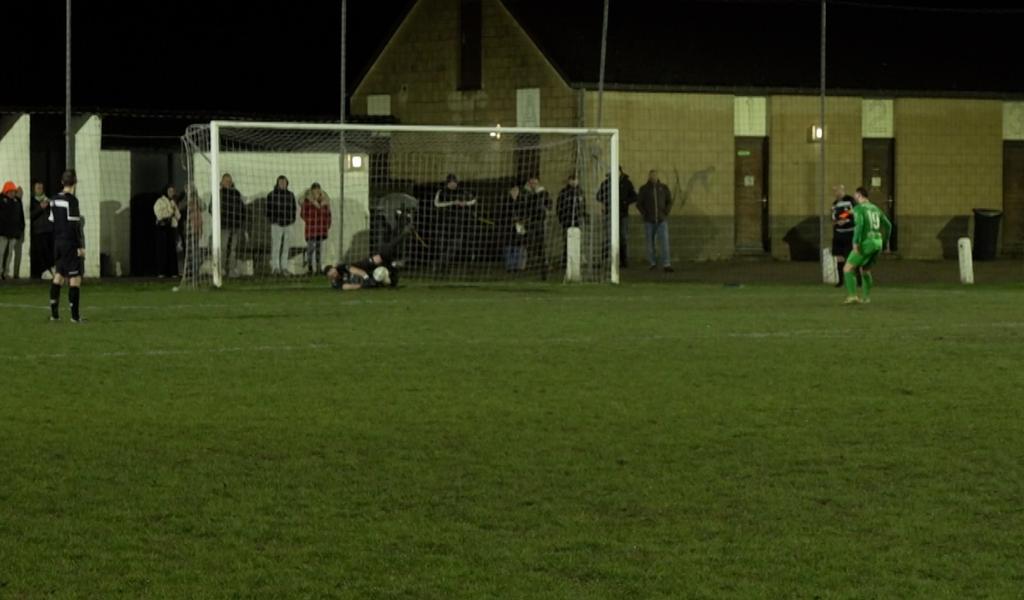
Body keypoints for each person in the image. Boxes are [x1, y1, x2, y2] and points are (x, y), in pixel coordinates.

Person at [843, 187, 892, 305]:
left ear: (859, 195)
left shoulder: (859, 208)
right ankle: (866, 298)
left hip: (866, 243)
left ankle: (853, 296)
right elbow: (889, 225)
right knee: (865, 270)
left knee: (848, 268)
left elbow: (859, 225)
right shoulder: (876, 208)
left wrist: (855, 242)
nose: (854, 196)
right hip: (877, 243)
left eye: (856, 194)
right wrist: (884, 243)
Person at [48, 170, 86, 323]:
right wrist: (80, 246)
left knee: (59, 275)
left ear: (62, 182)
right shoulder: (72, 201)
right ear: (74, 183)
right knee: (75, 278)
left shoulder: (53, 199)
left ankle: (54, 315)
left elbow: (52, 221)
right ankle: (75, 317)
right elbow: (74, 225)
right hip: (70, 243)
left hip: (58, 242)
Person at [432, 173, 476, 271]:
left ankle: (444, 263)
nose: (453, 184)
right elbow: (436, 204)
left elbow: (473, 201)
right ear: (447, 183)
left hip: (457, 224)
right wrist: (452, 203)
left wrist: (465, 203)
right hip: (444, 224)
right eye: (451, 182)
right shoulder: (441, 192)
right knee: (442, 246)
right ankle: (439, 264)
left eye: (454, 182)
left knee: (456, 245)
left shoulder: (462, 192)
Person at [596, 166, 638, 268]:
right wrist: (606, 202)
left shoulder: (627, 183)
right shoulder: (606, 183)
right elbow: (598, 196)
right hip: (609, 213)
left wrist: (625, 202)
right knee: (608, 237)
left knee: (623, 237)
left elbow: (634, 196)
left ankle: (623, 261)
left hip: (623, 214)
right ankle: (604, 260)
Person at [637, 170, 674, 272]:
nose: (653, 177)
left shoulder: (664, 188)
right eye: (652, 175)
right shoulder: (644, 189)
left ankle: (666, 264)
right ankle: (652, 263)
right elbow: (639, 204)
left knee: (664, 242)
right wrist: (645, 214)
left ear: (657, 176)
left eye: (655, 175)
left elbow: (669, 201)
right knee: (650, 243)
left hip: (662, 220)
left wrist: (666, 212)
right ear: (649, 177)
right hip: (649, 221)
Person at [520, 175, 551, 277]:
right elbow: (523, 206)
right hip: (529, 221)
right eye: (531, 182)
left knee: (540, 243)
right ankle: (530, 263)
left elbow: (549, 203)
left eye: (535, 182)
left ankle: (543, 265)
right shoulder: (525, 193)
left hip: (540, 221)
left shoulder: (543, 192)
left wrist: (546, 209)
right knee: (529, 242)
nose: (533, 184)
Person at [266, 175, 297, 275]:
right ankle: (275, 267)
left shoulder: (290, 195)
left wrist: (292, 220)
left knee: (286, 246)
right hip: (276, 224)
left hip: (288, 224)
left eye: (284, 182)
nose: (283, 184)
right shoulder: (271, 195)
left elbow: (293, 209)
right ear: (277, 183)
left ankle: (284, 267)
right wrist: (274, 220)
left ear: (287, 183)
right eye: (281, 182)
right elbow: (268, 210)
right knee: (276, 246)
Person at [216, 173, 245, 277]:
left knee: (233, 249)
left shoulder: (236, 193)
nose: (228, 182)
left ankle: (232, 270)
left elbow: (242, 209)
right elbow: (212, 208)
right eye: (226, 181)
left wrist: (240, 221)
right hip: (223, 226)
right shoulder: (218, 193)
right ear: (222, 182)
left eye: (229, 181)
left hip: (235, 226)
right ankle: (221, 269)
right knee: (223, 248)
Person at [556, 173, 587, 268]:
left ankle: (578, 259)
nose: (574, 182)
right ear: (569, 181)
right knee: (566, 240)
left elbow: (583, 206)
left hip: (578, 220)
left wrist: (583, 216)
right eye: (572, 180)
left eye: (576, 180)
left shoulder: (580, 192)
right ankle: (566, 260)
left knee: (578, 240)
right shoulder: (563, 192)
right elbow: (559, 206)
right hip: (566, 220)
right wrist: (561, 218)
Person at [300, 182, 332, 275]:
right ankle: (310, 268)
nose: (316, 192)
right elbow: (303, 214)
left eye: (318, 190)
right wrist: (310, 220)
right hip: (311, 229)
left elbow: (328, 215)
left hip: (321, 229)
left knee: (319, 250)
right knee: (310, 250)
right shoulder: (307, 202)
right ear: (312, 191)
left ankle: (318, 268)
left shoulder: (325, 202)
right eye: (315, 190)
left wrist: (327, 225)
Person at [325, 253, 400, 291]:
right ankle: (391, 278)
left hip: (362, 267)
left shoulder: (341, 267)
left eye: (334, 272)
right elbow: (347, 287)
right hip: (361, 280)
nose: (335, 275)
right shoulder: (335, 283)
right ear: (330, 278)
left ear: (334, 268)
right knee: (382, 279)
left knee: (378, 257)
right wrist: (363, 286)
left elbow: (355, 270)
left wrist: (366, 278)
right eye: (332, 276)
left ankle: (392, 264)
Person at [153, 185, 181, 278]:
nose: (171, 193)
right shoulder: (160, 201)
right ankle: (162, 272)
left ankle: (173, 272)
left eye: (173, 191)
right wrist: (170, 213)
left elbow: (178, 216)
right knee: (162, 250)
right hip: (162, 228)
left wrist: (174, 210)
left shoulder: (173, 202)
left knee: (172, 250)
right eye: (170, 191)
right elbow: (159, 214)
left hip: (171, 228)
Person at [831, 184, 855, 288]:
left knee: (852, 257)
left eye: (837, 191)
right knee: (839, 257)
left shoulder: (850, 200)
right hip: (838, 233)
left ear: (842, 190)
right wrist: (838, 220)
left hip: (849, 232)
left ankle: (857, 280)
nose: (836, 193)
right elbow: (833, 216)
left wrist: (843, 217)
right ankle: (841, 281)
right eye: (835, 192)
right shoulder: (835, 203)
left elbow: (852, 211)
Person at [0, 181, 26, 280]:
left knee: (9, 254)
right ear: (6, 191)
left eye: (13, 191)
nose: (12, 193)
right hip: (2, 232)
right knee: (1, 253)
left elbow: (21, 217)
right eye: (10, 191)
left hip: (14, 233)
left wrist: (21, 229)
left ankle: (5, 273)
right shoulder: (1, 200)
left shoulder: (17, 201)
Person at [499, 184, 527, 272]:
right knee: (509, 246)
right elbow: (502, 215)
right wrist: (511, 220)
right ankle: (510, 266)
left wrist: (521, 220)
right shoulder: (505, 202)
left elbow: (525, 213)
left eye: (516, 190)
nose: (515, 192)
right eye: (513, 190)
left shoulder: (522, 201)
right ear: (510, 191)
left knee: (518, 246)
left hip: (519, 227)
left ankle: (518, 266)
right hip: (508, 227)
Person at [30, 181, 54, 279]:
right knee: (41, 251)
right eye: (38, 188)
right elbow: (31, 215)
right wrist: (40, 207)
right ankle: (44, 271)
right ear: (34, 189)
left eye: (41, 187)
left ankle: (52, 268)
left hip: (49, 229)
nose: (40, 189)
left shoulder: (48, 200)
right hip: (38, 230)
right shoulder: (32, 201)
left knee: (50, 251)